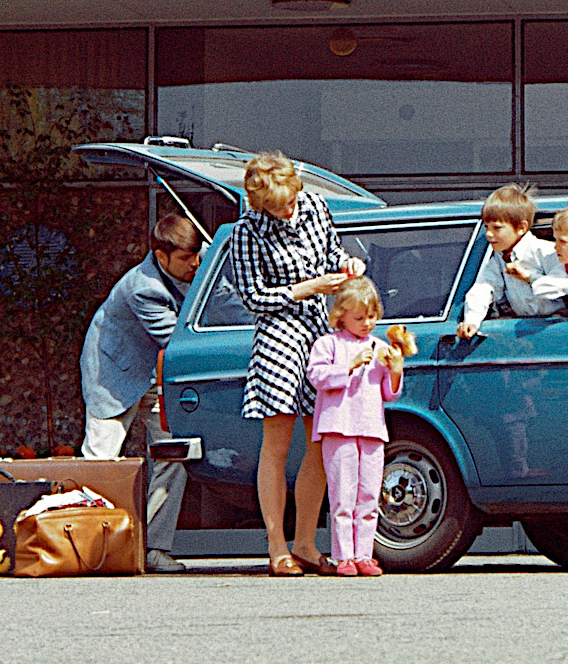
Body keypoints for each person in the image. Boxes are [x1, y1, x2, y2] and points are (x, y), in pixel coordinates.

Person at [228, 152, 367, 576]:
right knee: (277, 442)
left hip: (320, 331)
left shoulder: (315, 207)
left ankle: (305, 542)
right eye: (277, 207)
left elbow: (331, 252)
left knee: (322, 439)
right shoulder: (246, 231)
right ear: (260, 204)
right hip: (278, 334)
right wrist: (307, 287)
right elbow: (253, 297)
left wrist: (346, 264)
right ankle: (276, 546)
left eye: (290, 201)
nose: (288, 211)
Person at [78, 214, 202, 573]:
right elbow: (177, 342)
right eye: (185, 258)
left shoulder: (196, 263)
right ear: (161, 256)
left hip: (152, 375)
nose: (195, 264)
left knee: (173, 453)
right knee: (101, 460)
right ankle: (90, 549)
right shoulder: (143, 287)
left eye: (196, 255)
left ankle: (154, 549)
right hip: (113, 374)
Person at [305, 278, 403, 577]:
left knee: (370, 494)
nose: (367, 323)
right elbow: (316, 376)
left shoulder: (381, 347)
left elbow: (389, 393)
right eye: (359, 318)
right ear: (341, 315)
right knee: (342, 494)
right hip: (338, 427)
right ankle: (343, 556)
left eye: (372, 316)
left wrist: (395, 370)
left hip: (371, 427)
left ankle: (364, 554)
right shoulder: (328, 344)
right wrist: (348, 366)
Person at [456, 183, 564, 339]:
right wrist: (472, 321)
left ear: (521, 227)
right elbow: (483, 288)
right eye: (486, 227)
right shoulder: (499, 259)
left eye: (496, 228)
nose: (488, 234)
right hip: (525, 331)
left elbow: (562, 285)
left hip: (558, 328)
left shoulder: (547, 252)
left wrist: (529, 278)